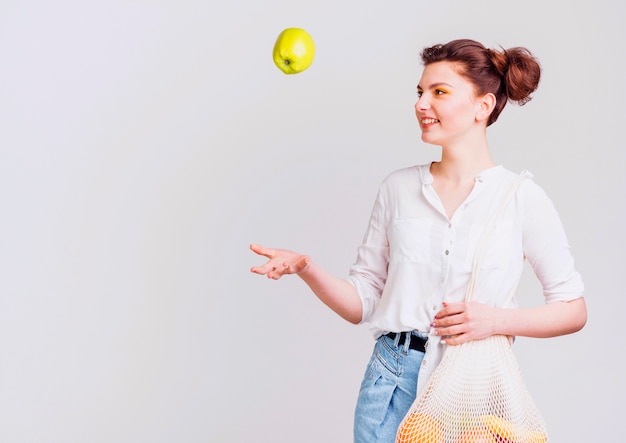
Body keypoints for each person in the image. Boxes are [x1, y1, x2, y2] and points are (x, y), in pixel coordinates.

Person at [250, 38, 587, 443]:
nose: (421, 103)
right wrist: (307, 268)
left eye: (439, 92)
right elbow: (364, 303)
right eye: (420, 92)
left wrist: (495, 321)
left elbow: (573, 309)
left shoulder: (520, 198)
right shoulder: (398, 188)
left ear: (483, 106)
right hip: (391, 380)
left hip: (473, 388)